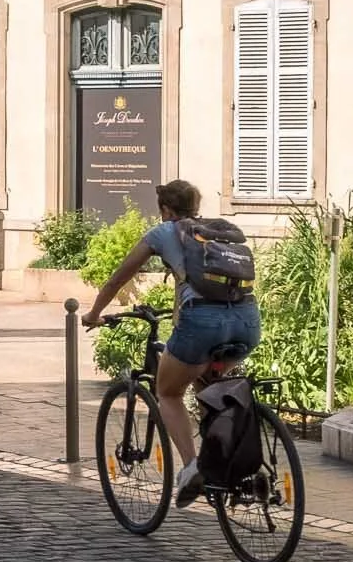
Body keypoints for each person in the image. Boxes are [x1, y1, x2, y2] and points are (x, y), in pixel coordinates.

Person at [82, 180, 262, 508]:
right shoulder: (218, 232)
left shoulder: (164, 232)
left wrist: (94, 313)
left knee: (168, 392)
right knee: (212, 390)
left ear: (166, 209)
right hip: (247, 322)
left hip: (201, 324)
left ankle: (193, 467)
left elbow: (119, 277)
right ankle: (235, 465)